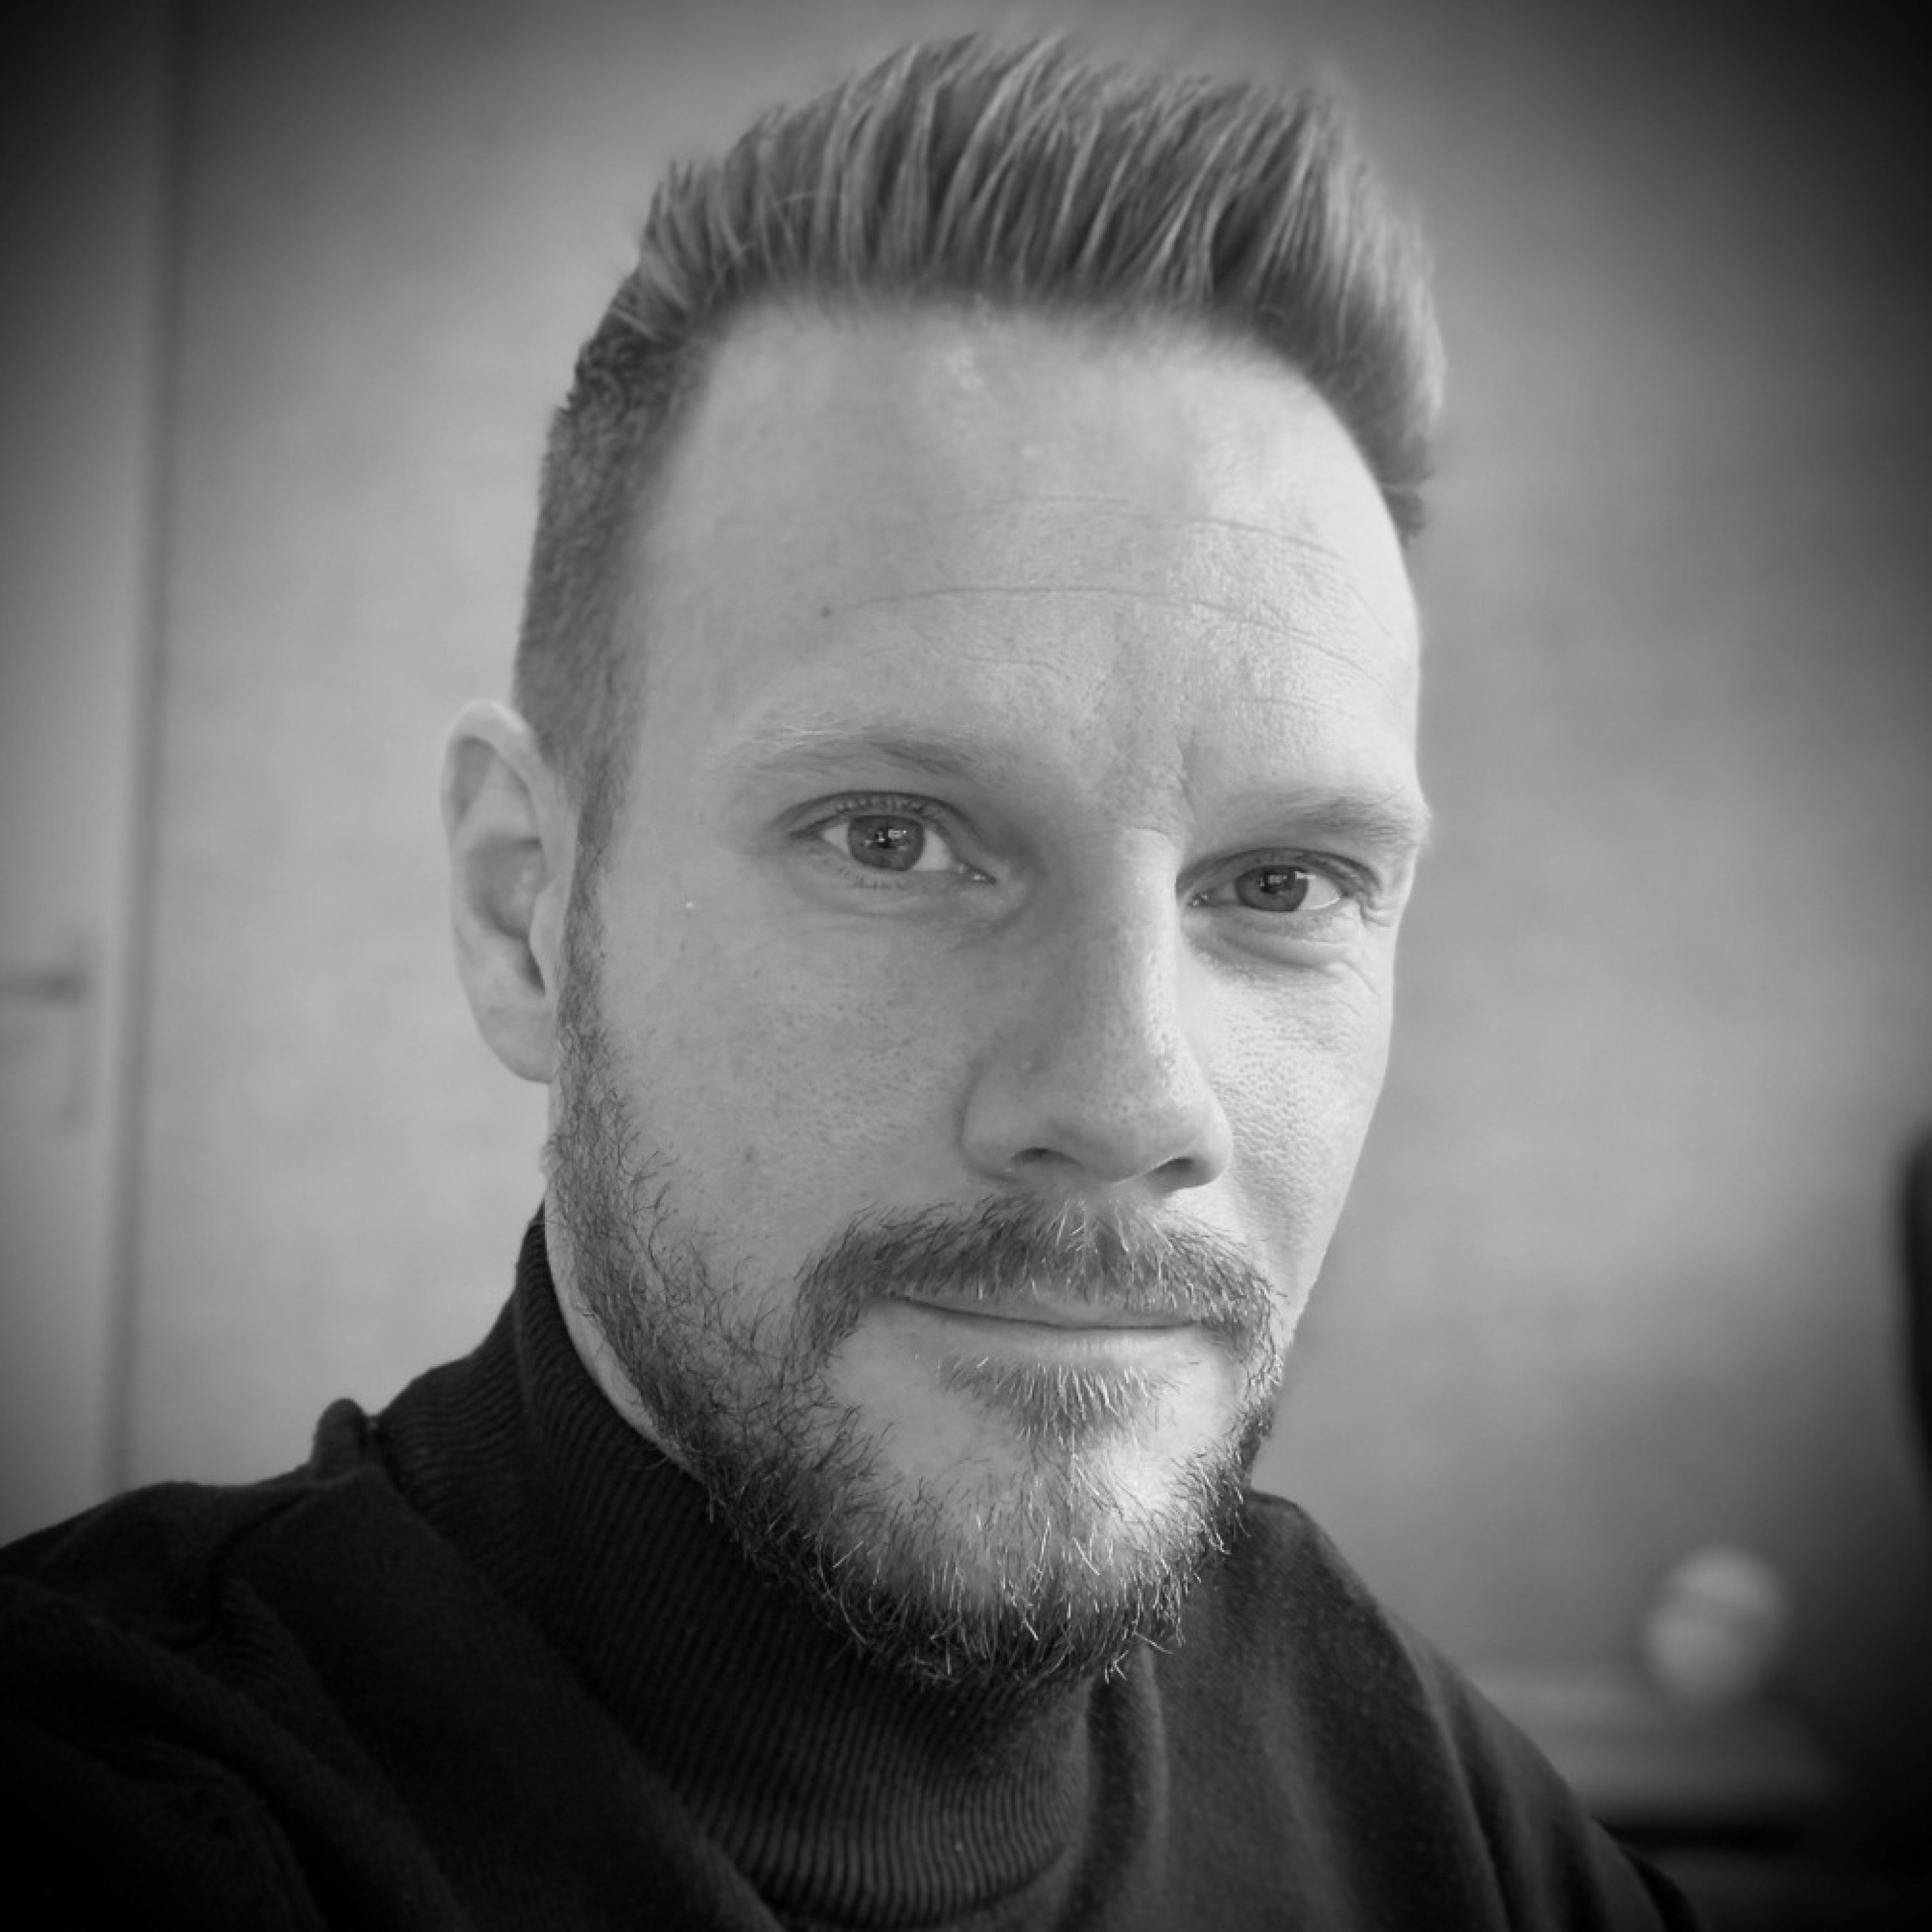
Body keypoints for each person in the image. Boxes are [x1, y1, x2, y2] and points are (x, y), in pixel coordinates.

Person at [0, 32, 1701, 1929]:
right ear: (525, 910)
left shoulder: (1402, 1779)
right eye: (893, 838)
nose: (1131, 1102)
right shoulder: (134, 1800)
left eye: (1283, 884)